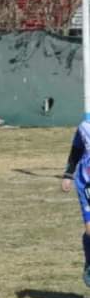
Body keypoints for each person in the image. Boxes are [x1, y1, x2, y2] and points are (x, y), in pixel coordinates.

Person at [61, 117, 90, 287]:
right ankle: (89, 262)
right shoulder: (85, 126)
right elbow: (76, 150)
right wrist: (68, 175)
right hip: (87, 183)